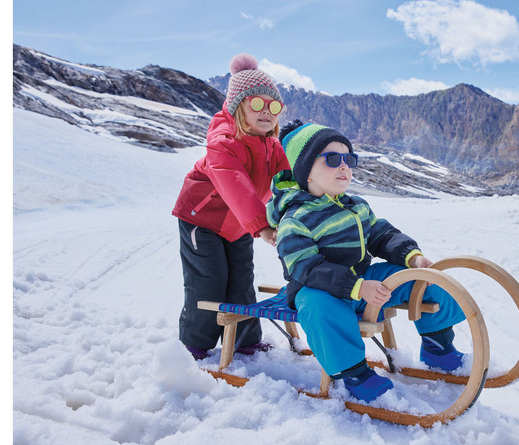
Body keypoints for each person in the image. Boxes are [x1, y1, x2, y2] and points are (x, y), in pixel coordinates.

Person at [266, 121, 467, 402]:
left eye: (349, 159)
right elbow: (307, 269)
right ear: (305, 172)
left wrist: (412, 256)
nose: (344, 166)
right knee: (318, 308)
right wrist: (358, 287)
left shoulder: (356, 206)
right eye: (332, 159)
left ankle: (438, 346)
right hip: (320, 290)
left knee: (425, 278)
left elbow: (381, 235)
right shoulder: (294, 221)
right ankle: (354, 374)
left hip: (364, 282)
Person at [172, 53, 290, 360]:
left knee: (241, 279)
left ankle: (245, 340)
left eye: (274, 106)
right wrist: (262, 225)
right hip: (203, 219)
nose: (267, 111)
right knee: (208, 280)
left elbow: (287, 183)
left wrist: (297, 216)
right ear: (239, 106)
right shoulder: (223, 141)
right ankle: (195, 344)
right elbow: (233, 182)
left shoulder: (272, 146)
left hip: (239, 224)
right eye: (257, 104)